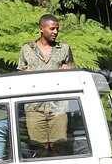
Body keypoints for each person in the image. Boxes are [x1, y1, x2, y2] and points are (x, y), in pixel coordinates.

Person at [18, 14, 75, 156]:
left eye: (57, 29)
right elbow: (19, 73)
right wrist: (24, 74)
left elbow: (73, 72)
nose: (55, 32)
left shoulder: (64, 49)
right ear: (41, 29)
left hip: (58, 106)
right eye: (52, 29)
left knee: (59, 146)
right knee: (39, 148)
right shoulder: (27, 49)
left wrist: (69, 71)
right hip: (34, 106)